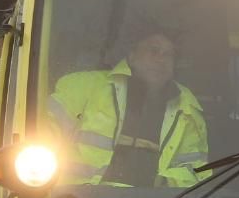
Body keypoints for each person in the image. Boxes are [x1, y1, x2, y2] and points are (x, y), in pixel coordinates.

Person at [50, 29, 209, 187]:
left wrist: (161, 189)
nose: (161, 59)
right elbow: (42, 134)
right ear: (131, 57)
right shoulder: (83, 87)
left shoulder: (187, 110)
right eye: (153, 51)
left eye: (169, 55)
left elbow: (195, 174)